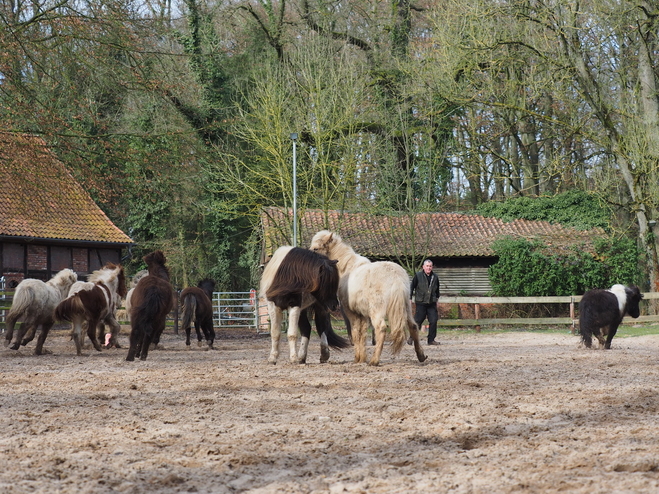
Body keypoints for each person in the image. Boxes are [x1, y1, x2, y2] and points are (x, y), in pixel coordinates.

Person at [409, 259, 440, 346]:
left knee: (433, 321)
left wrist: (437, 299)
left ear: (432, 267)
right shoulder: (418, 276)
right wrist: (409, 298)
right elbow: (412, 287)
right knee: (418, 321)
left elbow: (437, 290)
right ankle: (412, 337)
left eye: (430, 266)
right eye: (427, 266)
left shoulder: (435, 277)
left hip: (431, 303)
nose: (429, 268)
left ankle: (431, 340)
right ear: (423, 267)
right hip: (421, 302)